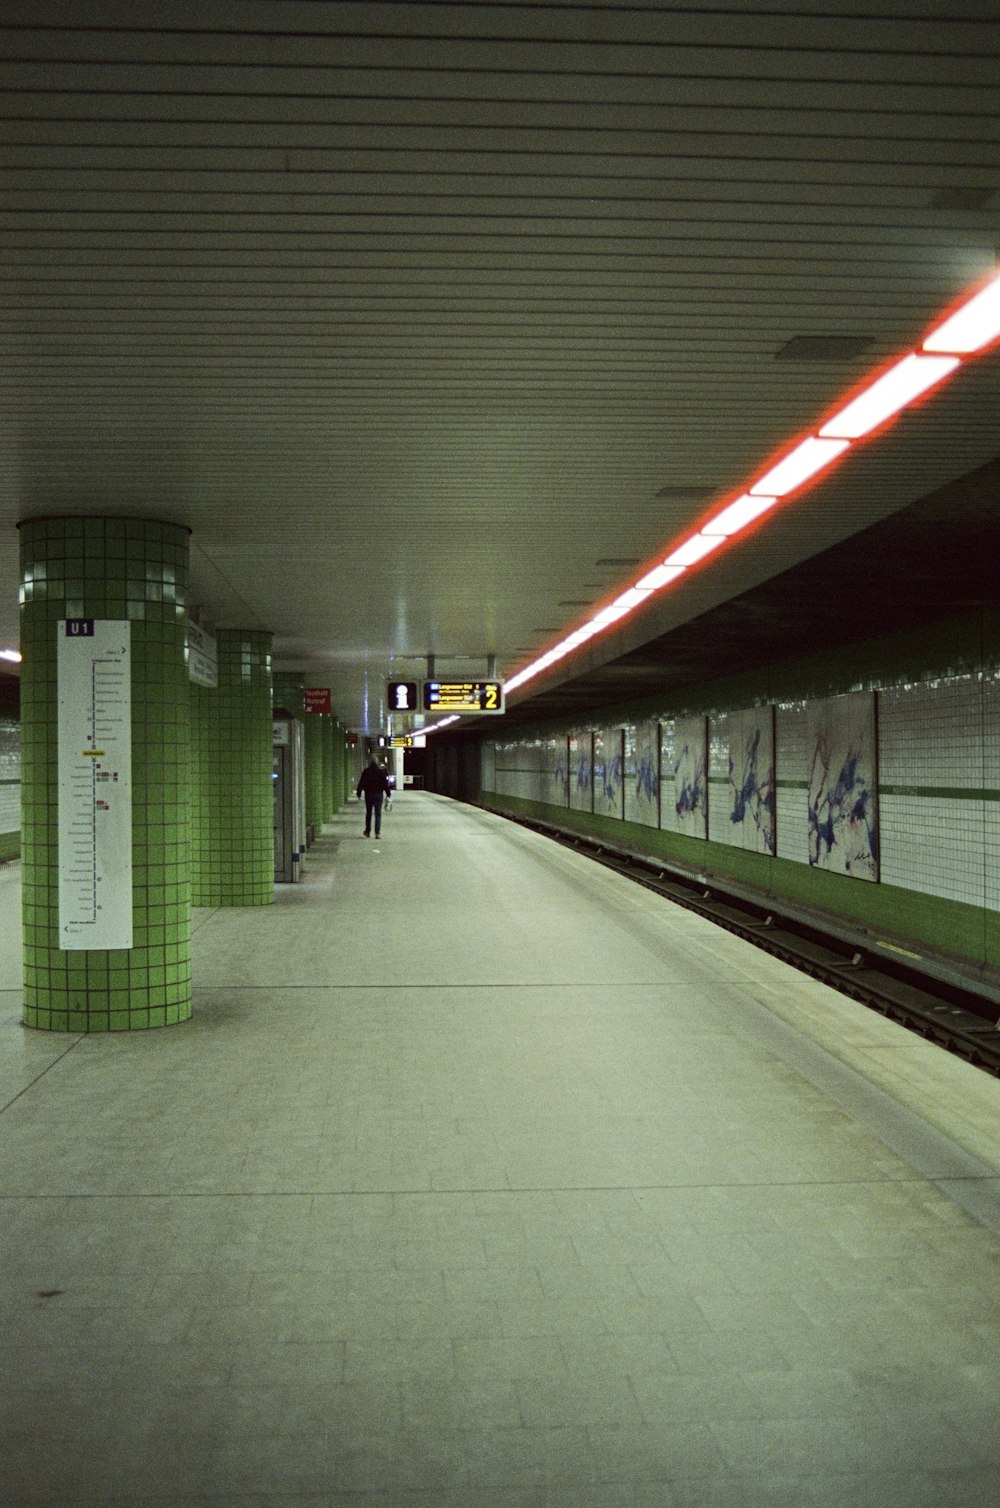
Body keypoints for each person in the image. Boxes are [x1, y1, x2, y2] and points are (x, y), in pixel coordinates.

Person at [356, 754, 392, 838]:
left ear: (369, 762)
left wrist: (359, 793)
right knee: (378, 814)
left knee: (368, 813)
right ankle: (377, 833)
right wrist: (388, 794)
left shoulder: (366, 771)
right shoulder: (380, 772)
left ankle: (368, 831)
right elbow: (385, 784)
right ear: (377, 762)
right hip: (378, 795)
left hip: (368, 795)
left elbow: (361, 783)